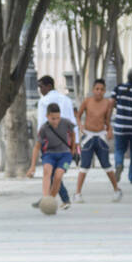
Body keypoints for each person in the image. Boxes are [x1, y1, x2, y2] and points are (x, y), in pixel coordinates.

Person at [73, 79, 120, 201]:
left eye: (102, 89)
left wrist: (110, 130)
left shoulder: (107, 103)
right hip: (88, 136)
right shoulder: (87, 101)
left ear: (104, 91)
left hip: (100, 136)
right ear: (93, 90)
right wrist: (80, 125)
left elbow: (107, 120)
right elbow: (78, 115)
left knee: (106, 165)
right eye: (97, 89)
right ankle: (77, 193)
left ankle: (117, 190)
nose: (99, 92)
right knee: (84, 165)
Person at [28, 102, 78, 210]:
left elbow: (73, 133)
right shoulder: (44, 128)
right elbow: (36, 147)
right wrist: (32, 166)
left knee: (58, 176)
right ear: (47, 116)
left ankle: (49, 200)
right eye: (53, 118)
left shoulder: (66, 123)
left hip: (65, 155)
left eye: (58, 118)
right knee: (47, 171)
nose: (56, 121)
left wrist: (73, 149)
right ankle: (46, 198)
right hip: (49, 154)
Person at [34, 74, 74, 206]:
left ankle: (53, 199)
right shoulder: (67, 100)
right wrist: (76, 147)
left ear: (49, 86)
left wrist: (39, 142)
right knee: (55, 174)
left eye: (41, 87)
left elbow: (41, 124)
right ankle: (57, 199)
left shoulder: (44, 101)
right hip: (66, 147)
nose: (40, 90)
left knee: (51, 174)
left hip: (49, 146)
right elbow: (73, 125)